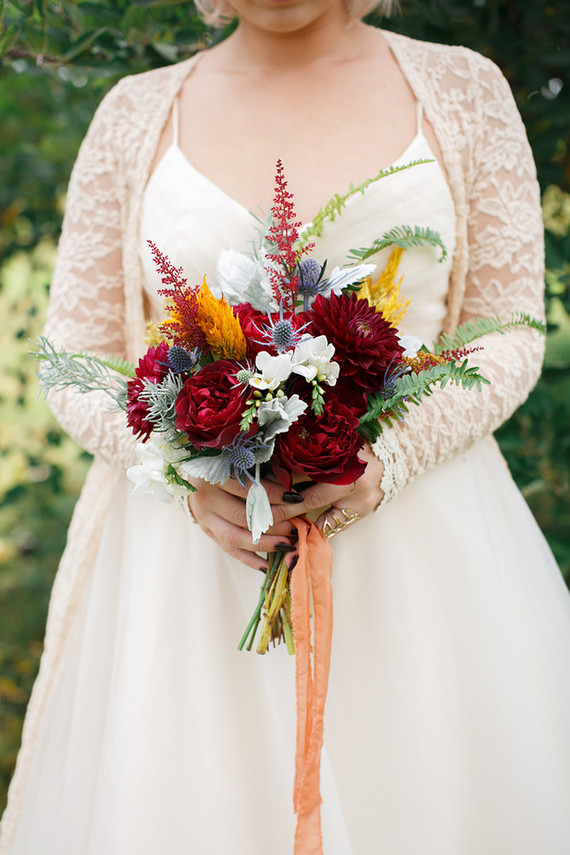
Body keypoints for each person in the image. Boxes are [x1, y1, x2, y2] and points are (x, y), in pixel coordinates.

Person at [2, 0, 570, 852]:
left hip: (423, 561)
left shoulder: (463, 91)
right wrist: (182, 469)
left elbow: (509, 327)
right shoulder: (135, 112)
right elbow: (72, 353)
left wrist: (391, 454)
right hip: (191, 569)